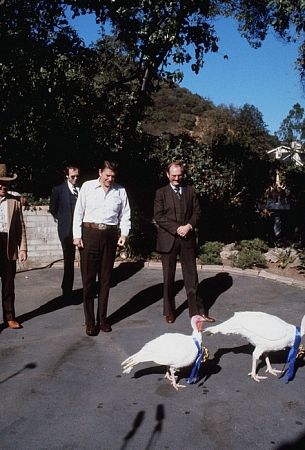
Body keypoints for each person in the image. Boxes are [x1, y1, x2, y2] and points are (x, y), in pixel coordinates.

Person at [73, 161, 131, 336]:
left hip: (110, 236)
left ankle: (103, 319)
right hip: (89, 235)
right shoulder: (87, 187)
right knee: (89, 281)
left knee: (105, 280)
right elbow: (78, 212)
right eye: (107, 175)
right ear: (100, 172)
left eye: (113, 176)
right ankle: (90, 322)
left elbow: (126, 214)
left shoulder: (120, 190)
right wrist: (77, 235)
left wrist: (124, 234)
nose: (110, 179)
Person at [154, 161, 215, 324]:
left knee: (192, 276)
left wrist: (188, 226)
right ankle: (169, 311)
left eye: (179, 175)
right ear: (167, 175)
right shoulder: (161, 193)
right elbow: (158, 216)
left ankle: (198, 311)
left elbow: (197, 212)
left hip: (187, 239)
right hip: (169, 240)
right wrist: (177, 228)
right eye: (173, 175)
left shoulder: (190, 191)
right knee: (168, 278)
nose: (176, 178)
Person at [0, 164, 27, 329]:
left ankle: (9, 317)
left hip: (8, 244)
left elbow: (21, 227)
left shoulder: (14, 201)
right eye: (0, 183)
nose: (3, 186)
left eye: (6, 184)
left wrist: (23, 248)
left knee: (8, 284)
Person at [50, 165, 80, 298]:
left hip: (81, 229)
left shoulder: (81, 189)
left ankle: (88, 288)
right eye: (73, 176)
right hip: (66, 230)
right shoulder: (59, 190)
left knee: (85, 260)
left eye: (77, 176)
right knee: (69, 259)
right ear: (67, 176)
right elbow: (53, 209)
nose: (75, 179)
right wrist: (63, 220)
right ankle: (67, 290)